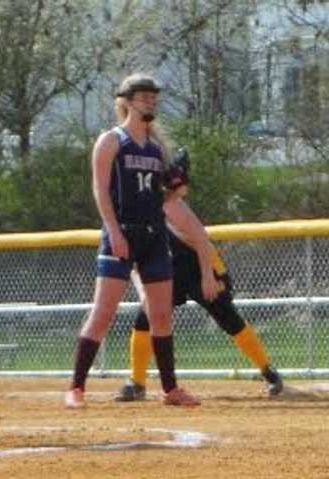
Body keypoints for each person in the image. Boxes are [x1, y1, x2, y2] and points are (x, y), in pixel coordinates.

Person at [65, 73, 200, 409]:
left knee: (161, 314)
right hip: (121, 233)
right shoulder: (112, 141)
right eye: (143, 97)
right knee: (103, 312)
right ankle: (76, 387)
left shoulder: (156, 149)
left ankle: (170, 389)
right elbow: (100, 189)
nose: (151, 102)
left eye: (154, 97)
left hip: (153, 235)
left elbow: (162, 200)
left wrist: (176, 191)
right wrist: (113, 231)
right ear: (126, 101)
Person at [115, 194, 283, 401]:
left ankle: (269, 372)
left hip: (198, 268)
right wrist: (143, 293)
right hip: (167, 273)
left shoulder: (169, 206)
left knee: (228, 318)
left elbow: (201, 241)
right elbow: (134, 263)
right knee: (144, 319)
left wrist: (211, 277)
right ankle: (137, 383)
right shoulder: (131, 219)